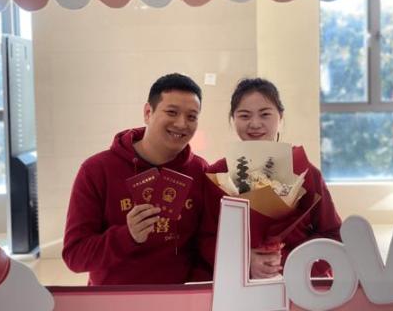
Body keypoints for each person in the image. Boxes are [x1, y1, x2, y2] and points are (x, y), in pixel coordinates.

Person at [62, 73, 209, 285]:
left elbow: (207, 245)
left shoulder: (200, 172)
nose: (181, 123)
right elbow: (75, 256)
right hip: (115, 296)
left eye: (192, 117)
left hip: (180, 296)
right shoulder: (96, 170)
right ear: (148, 112)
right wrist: (127, 236)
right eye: (172, 112)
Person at [201, 77, 342, 279]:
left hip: (298, 282)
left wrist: (290, 265)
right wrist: (245, 262)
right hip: (239, 283)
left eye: (265, 114)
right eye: (244, 115)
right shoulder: (218, 175)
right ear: (233, 118)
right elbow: (206, 238)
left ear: (280, 116)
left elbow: (333, 234)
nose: (255, 124)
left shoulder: (304, 171)